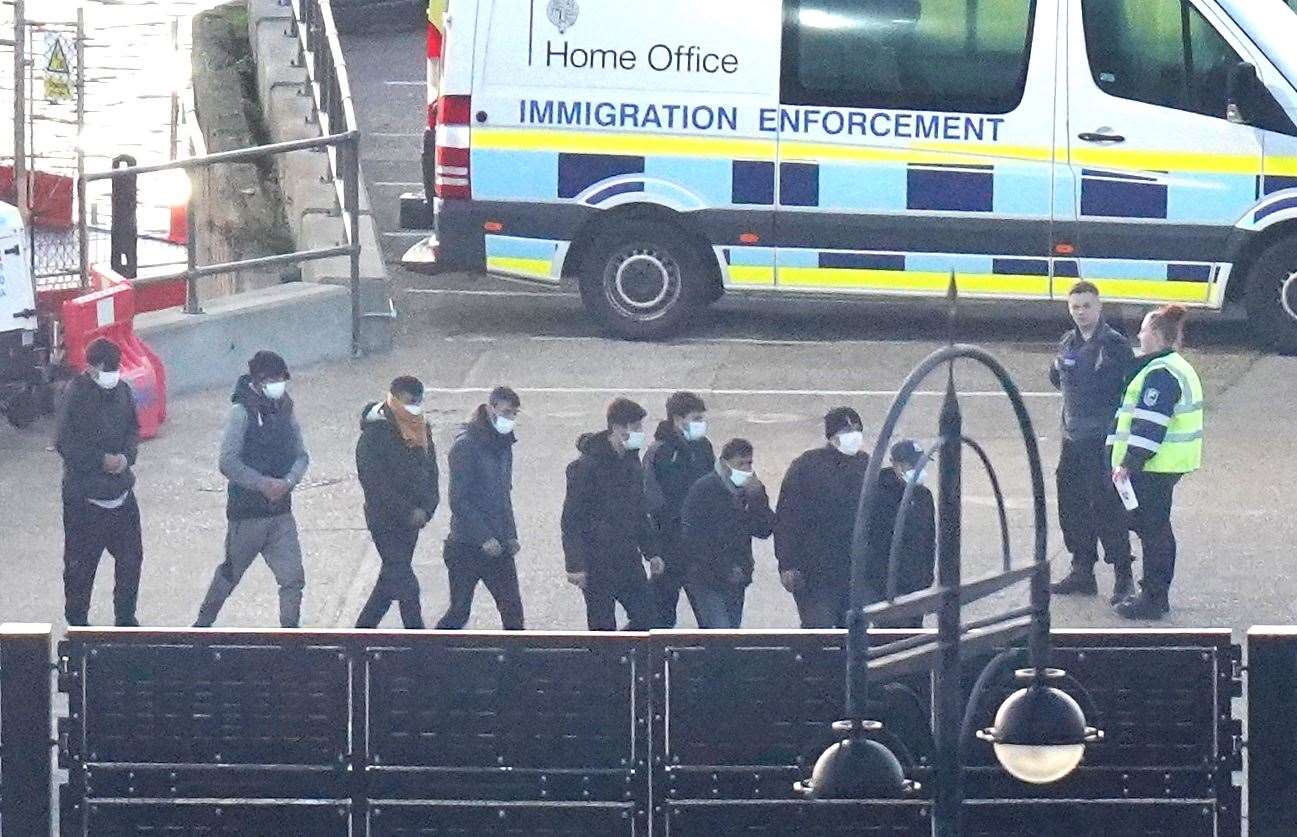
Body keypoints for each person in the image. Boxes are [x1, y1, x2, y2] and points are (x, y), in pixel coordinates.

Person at [194, 351, 309, 628]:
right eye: (272, 379)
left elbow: (301, 455)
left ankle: (290, 636)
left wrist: (287, 482)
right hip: (247, 515)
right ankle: (201, 626)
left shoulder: (285, 409)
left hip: (281, 511)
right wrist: (262, 484)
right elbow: (228, 461)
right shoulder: (241, 413)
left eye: (281, 379)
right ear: (257, 382)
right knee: (231, 573)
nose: (278, 385)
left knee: (293, 578)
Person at [1109, 305, 1203, 620]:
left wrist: (1129, 462)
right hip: (1166, 464)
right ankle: (1155, 593)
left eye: (1144, 330)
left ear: (1158, 335)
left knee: (1153, 532)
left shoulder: (1159, 373)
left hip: (1154, 466)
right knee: (1157, 529)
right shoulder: (1174, 366)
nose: (1139, 334)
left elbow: (1150, 424)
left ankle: (1152, 597)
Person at [1049, 281, 1136, 603]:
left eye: (1086, 306)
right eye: (1075, 307)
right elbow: (1058, 378)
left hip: (1102, 440)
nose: (1081, 312)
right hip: (1072, 438)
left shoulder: (1114, 345)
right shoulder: (1067, 342)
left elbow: (1129, 388)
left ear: (1099, 307)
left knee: (1107, 508)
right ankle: (1082, 569)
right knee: (1071, 505)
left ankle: (1123, 576)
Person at [56, 337, 144, 627]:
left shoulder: (123, 391)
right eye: (107, 368)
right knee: (81, 569)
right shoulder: (76, 394)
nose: (113, 374)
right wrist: (99, 461)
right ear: (92, 368)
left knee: (131, 561)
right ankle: (78, 625)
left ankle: (126, 620)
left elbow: (133, 430)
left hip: (121, 495)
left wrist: (125, 458)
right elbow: (64, 442)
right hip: (85, 500)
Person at [561, 397, 663, 631]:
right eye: (635, 427)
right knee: (602, 627)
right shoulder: (585, 468)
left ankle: (626, 658)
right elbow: (571, 520)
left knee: (649, 618)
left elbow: (639, 511)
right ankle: (607, 665)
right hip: (596, 561)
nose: (639, 432)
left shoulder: (631, 462)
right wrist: (575, 564)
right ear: (617, 428)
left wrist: (652, 552)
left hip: (627, 557)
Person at [435, 386, 524, 630]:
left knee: (513, 613)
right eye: (506, 412)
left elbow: (504, 495)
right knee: (459, 612)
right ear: (490, 408)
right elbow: (459, 500)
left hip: (499, 547)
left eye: (514, 414)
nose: (510, 419)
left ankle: (517, 665)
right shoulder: (466, 446)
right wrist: (484, 537)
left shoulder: (503, 445)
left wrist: (510, 535)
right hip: (466, 547)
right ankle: (427, 656)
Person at [354, 376, 439, 629]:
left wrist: (426, 508)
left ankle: (358, 636)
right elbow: (374, 483)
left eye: (418, 401)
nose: (415, 407)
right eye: (409, 401)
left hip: (413, 522)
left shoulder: (421, 429)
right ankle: (418, 643)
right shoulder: (374, 434)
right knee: (405, 583)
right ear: (395, 398)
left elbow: (430, 471)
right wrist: (407, 511)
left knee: (390, 581)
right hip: (385, 520)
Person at [774, 407, 870, 629]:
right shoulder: (806, 467)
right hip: (814, 572)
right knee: (820, 632)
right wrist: (787, 564)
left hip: (853, 572)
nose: (854, 434)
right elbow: (787, 518)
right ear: (832, 435)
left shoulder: (865, 464)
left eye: (858, 429)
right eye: (847, 430)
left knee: (854, 635)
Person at [681, 438, 775, 629]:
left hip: (737, 578)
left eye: (749, 463)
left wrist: (758, 500)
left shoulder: (751, 490)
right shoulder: (704, 490)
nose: (746, 469)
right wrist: (725, 568)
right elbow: (695, 538)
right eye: (741, 464)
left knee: (731, 632)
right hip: (707, 577)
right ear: (726, 463)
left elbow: (764, 529)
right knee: (720, 631)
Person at [643, 391, 716, 627]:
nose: (700, 424)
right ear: (677, 419)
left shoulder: (704, 448)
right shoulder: (660, 452)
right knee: (661, 617)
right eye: (695, 418)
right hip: (669, 546)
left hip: (699, 550)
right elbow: (651, 500)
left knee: (709, 619)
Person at [864, 439, 936, 629]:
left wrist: (926, 580)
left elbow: (929, 541)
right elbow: (871, 542)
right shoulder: (878, 495)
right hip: (886, 588)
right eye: (913, 464)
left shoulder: (923, 496)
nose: (919, 469)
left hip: (915, 587)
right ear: (896, 465)